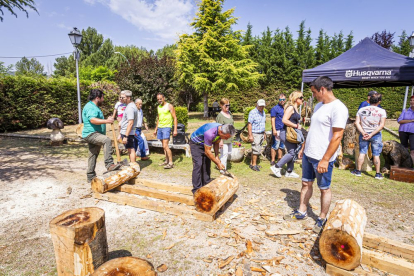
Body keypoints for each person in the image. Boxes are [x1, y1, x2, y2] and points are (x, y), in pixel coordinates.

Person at [284, 76, 348, 234]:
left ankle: (322, 217)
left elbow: (337, 136)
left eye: (314, 92)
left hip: (323, 157)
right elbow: (314, 129)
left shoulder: (338, 108)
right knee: (306, 184)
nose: (313, 95)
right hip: (308, 153)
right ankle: (301, 211)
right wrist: (304, 146)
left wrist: (325, 159)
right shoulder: (320, 105)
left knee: (324, 188)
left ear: (323, 89)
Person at [81, 89, 122, 183]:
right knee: (107, 140)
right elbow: (93, 120)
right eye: (102, 98)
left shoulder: (93, 106)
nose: (103, 100)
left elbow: (97, 119)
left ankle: (90, 176)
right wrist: (107, 121)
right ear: (97, 98)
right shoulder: (91, 107)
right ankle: (109, 165)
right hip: (91, 134)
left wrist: (107, 119)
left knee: (93, 154)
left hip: (94, 133)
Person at [190, 123, 236, 194]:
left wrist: (217, 156)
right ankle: (196, 190)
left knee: (207, 163)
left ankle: (206, 183)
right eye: (226, 137)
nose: (226, 139)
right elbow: (207, 151)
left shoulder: (221, 130)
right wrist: (218, 163)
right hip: (196, 143)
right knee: (198, 164)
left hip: (205, 143)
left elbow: (216, 143)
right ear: (221, 132)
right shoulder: (210, 133)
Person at [351, 94, 386, 179]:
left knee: (362, 152)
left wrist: (363, 132)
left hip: (364, 134)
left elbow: (356, 123)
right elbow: (381, 125)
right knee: (376, 154)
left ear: (369, 100)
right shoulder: (382, 111)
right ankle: (377, 174)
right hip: (376, 134)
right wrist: (371, 134)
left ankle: (358, 171)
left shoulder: (361, 110)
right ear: (379, 101)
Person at [270, 92, 304, 178]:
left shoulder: (296, 108)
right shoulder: (291, 108)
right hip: (286, 133)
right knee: (292, 153)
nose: (302, 99)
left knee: (293, 151)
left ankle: (289, 171)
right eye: (301, 98)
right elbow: (284, 120)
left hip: (291, 133)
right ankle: (276, 167)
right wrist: (296, 126)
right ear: (296, 99)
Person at [153, 93, 178, 169]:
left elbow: (175, 118)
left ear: (164, 98)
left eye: (160, 99)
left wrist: (175, 129)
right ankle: (166, 161)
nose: (159, 100)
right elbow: (158, 119)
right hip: (160, 128)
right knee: (163, 146)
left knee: (165, 145)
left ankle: (171, 163)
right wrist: (156, 129)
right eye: (158, 99)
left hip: (167, 127)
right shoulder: (158, 107)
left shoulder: (169, 106)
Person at [215, 98, 234, 172]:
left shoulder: (229, 113)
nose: (227, 107)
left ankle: (218, 163)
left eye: (228, 105)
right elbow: (219, 129)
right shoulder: (220, 116)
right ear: (221, 106)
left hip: (229, 137)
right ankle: (223, 169)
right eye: (226, 106)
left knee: (228, 153)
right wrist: (221, 140)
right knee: (224, 154)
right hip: (223, 138)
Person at [248, 99, 267, 171]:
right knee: (256, 150)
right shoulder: (252, 112)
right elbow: (249, 124)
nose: (261, 107)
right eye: (260, 106)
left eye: (263, 106)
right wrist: (250, 135)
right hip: (255, 133)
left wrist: (264, 133)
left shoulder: (263, 112)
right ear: (257, 105)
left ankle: (251, 163)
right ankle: (254, 165)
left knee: (256, 149)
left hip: (261, 133)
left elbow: (263, 123)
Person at [119, 90, 138, 163]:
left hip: (128, 132)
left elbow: (130, 123)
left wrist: (126, 136)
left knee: (131, 148)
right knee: (130, 149)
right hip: (127, 131)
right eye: (120, 97)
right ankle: (132, 165)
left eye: (123, 97)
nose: (121, 99)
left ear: (128, 98)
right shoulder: (129, 106)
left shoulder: (130, 108)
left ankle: (133, 166)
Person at [397, 95, 414, 165]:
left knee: (413, 150)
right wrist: (411, 120)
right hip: (403, 131)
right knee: (404, 148)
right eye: (411, 100)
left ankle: (411, 165)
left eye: (413, 100)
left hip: (413, 132)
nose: (412, 102)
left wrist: (406, 120)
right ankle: (404, 164)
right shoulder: (405, 110)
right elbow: (399, 121)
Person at [270, 94, 286, 166]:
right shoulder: (275, 108)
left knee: (282, 146)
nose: (282, 101)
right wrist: (274, 130)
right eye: (280, 99)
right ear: (278, 100)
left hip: (284, 130)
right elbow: (272, 120)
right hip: (277, 129)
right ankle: (273, 160)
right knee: (275, 145)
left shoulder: (286, 108)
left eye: (283, 99)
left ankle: (279, 159)